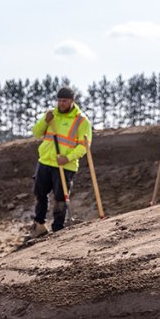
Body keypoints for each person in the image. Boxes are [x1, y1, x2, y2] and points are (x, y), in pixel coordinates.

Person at [30, 85, 92, 237]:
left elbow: (84, 146)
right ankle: (39, 225)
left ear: (72, 101)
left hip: (65, 166)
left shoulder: (81, 120)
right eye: (59, 101)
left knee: (60, 198)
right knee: (40, 194)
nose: (61, 104)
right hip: (45, 161)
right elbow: (36, 133)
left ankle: (58, 228)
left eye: (64, 101)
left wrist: (68, 157)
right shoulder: (52, 115)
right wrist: (45, 120)